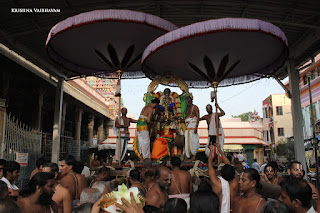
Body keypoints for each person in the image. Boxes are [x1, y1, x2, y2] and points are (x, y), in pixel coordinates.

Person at [208, 143, 239, 213]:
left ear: (221, 174)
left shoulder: (217, 183)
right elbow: (229, 165)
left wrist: (211, 151)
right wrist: (219, 150)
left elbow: (209, 164)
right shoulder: (236, 181)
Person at [184, 96, 200, 161]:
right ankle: (188, 157)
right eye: (186, 102)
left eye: (188, 101)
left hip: (193, 127)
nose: (187, 103)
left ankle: (194, 157)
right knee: (187, 143)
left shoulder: (195, 107)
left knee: (194, 142)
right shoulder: (187, 109)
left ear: (191, 101)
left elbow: (198, 118)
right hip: (187, 128)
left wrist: (196, 127)